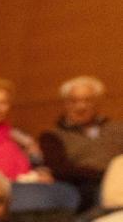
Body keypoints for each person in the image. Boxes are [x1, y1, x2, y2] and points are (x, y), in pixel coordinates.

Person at [39, 75, 123, 207]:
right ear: (65, 104)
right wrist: (104, 174)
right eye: (73, 101)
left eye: (88, 101)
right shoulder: (52, 136)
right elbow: (60, 170)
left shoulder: (118, 129)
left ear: (97, 102)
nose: (81, 107)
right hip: (85, 189)